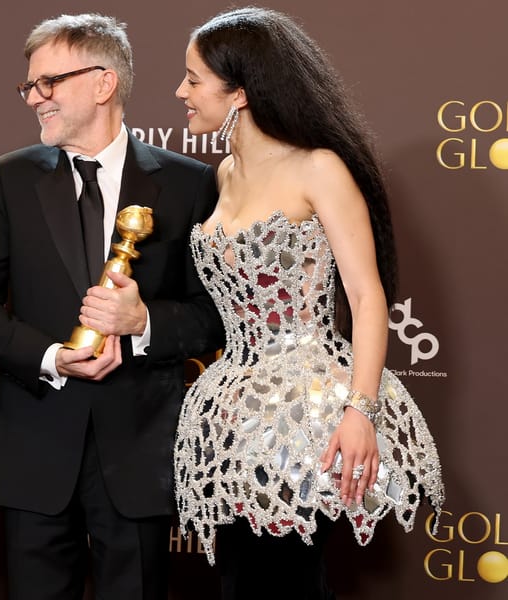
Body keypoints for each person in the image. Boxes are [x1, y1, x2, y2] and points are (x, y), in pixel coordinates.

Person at [0, 13, 224, 600]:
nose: (34, 99)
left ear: (103, 83)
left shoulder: (188, 183)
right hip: (33, 445)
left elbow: (213, 314)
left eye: (49, 83)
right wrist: (48, 355)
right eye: (30, 86)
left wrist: (144, 322)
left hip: (140, 449)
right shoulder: (11, 178)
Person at [171, 7, 445, 598]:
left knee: (289, 577)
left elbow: (368, 297)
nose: (181, 92)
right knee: (240, 578)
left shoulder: (317, 168)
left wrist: (360, 412)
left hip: (306, 413)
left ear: (238, 92)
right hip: (232, 417)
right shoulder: (223, 173)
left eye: (193, 79)